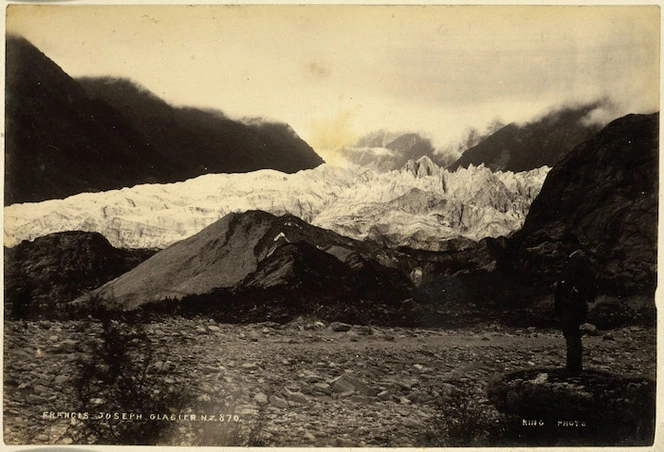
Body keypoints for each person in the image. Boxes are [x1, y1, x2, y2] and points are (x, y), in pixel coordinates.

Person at [554, 249, 596, 375]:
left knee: (571, 333)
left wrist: (576, 290)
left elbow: (589, 276)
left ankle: (573, 367)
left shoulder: (578, 258)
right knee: (571, 333)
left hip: (572, 304)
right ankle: (573, 366)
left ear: (569, 244)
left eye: (564, 244)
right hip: (571, 303)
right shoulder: (575, 258)